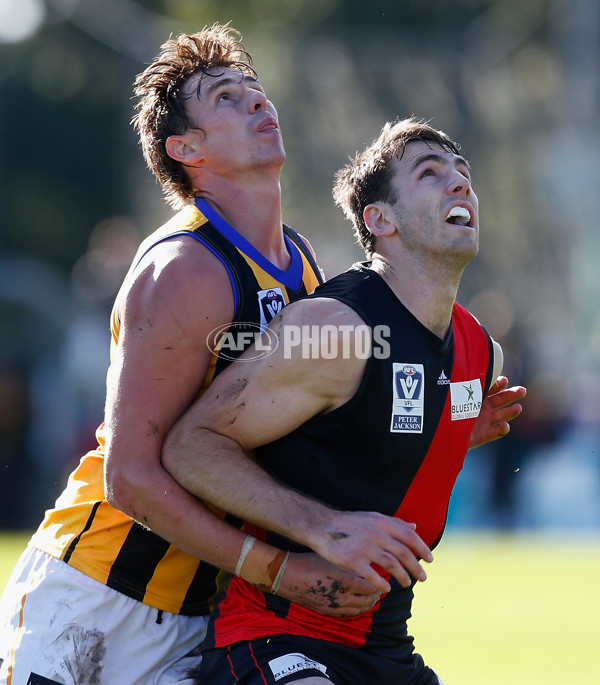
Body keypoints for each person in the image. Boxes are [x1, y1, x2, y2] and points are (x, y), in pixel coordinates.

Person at [0, 25, 523, 684]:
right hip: (100, 598)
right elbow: (128, 477)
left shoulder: (299, 263)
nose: (257, 101)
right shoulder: (183, 269)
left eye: (255, 88)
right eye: (226, 96)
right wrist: (284, 564)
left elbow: (301, 432)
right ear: (186, 148)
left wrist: (432, 433)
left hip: (203, 611)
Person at [162, 117, 527, 685]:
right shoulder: (334, 328)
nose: (460, 185)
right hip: (274, 635)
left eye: (463, 174)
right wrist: (324, 527)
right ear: (379, 221)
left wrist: (442, 432)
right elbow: (190, 447)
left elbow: (382, 424)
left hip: (385, 647)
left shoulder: (479, 349)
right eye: (431, 174)